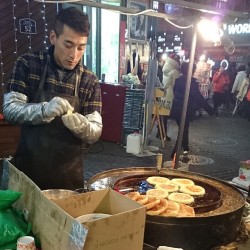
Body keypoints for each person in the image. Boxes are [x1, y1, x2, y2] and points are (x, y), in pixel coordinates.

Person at [3, 7, 103, 190]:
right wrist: (42, 110)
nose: (74, 55)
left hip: (69, 176)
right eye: (68, 45)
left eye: (81, 47)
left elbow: (95, 130)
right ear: (53, 37)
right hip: (28, 171)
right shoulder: (28, 64)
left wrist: (81, 125)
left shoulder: (89, 80)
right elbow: (10, 109)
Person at [170, 62, 213, 159]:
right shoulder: (191, 83)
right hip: (185, 110)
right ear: (192, 70)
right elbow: (199, 97)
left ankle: (186, 147)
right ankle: (174, 153)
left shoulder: (178, 80)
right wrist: (209, 110)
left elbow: (175, 92)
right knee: (183, 130)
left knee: (184, 129)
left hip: (176, 109)